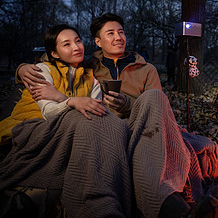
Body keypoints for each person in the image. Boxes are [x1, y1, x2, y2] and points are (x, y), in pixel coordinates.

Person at [16, 14, 218, 217]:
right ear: (98, 42)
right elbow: (55, 59)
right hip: (106, 128)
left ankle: (173, 205)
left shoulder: (147, 69)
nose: (118, 37)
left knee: (154, 97)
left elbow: (159, 111)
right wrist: (22, 68)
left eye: (121, 32)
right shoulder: (87, 66)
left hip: (144, 127)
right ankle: (167, 206)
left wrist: (129, 104)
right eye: (110, 33)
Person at [0, 25, 134, 217]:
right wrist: (72, 101)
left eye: (78, 41)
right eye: (67, 44)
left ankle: (107, 199)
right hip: (32, 126)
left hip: (69, 129)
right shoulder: (42, 70)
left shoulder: (90, 79)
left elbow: (95, 109)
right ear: (54, 53)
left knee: (101, 121)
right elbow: (49, 112)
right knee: (82, 117)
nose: (76, 47)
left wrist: (61, 97)